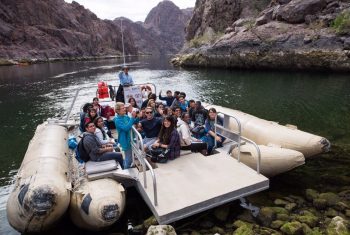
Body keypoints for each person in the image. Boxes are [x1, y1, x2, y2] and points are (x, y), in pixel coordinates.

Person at [114, 102, 139, 169]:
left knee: (129, 157)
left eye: (124, 108)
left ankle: (126, 167)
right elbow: (126, 128)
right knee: (128, 159)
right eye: (122, 108)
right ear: (118, 111)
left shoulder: (125, 116)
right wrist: (132, 118)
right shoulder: (117, 120)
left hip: (130, 138)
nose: (125, 109)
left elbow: (132, 122)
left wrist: (138, 116)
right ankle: (126, 170)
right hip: (125, 140)